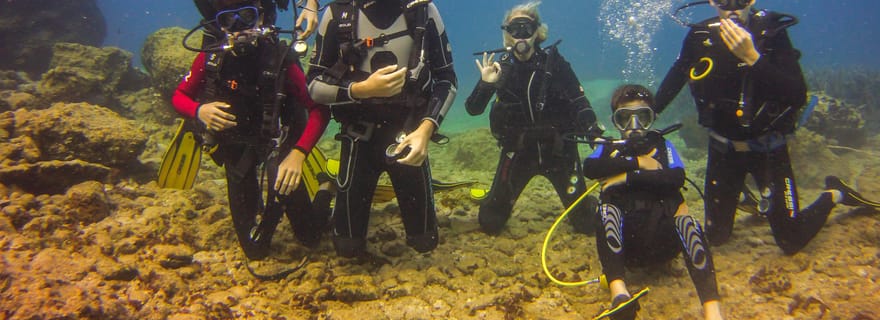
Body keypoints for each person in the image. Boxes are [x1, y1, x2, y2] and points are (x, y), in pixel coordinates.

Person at [654, 0, 880, 254]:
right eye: (723, 1)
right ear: (711, 2)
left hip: (768, 151)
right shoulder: (699, 35)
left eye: (739, 1)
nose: (732, 8)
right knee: (716, 237)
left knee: (791, 240)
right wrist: (648, 114)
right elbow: (677, 75)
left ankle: (834, 193)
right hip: (723, 150)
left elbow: (796, 95)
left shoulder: (771, 32)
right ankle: (743, 196)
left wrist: (752, 56)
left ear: (751, 1)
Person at [173, 0, 331, 260]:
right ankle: (258, 205)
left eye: (247, 16)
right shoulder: (211, 58)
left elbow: (319, 110)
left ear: (261, 19)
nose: (238, 27)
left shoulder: (281, 60)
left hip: (278, 148)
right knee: (254, 251)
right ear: (220, 26)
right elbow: (180, 96)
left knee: (310, 236)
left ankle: (326, 189)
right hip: (237, 150)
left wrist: (298, 154)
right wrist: (199, 111)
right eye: (228, 21)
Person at [306, 0, 457, 257]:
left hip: (407, 135)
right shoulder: (338, 13)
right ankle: (326, 189)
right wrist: (360, 90)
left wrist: (426, 129)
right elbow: (313, 84)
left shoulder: (423, 11)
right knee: (347, 248)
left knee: (425, 242)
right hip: (358, 137)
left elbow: (447, 78)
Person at [585, 85, 723, 320]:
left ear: (652, 119)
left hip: (664, 245)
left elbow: (676, 177)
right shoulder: (608, 148)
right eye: (625, 118)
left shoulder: (662, 146)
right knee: (606, 210)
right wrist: (638, 163)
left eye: (642, 117)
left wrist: (626, 177)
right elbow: (590, 167)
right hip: (624, 250)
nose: (634, 126)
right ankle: (619, 294)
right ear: (615, 122)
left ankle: (713, 310)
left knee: (687, 221)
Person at [465, 1, 600, 235]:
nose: (520, 36)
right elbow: (473, 109)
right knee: (490, 222)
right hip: (519, 152)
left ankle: (594, 203)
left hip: (560, 152)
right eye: (513, 29)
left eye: (526, 29)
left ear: (537, 32)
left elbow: (579, 101)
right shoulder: (501, 69)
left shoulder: (555, 63)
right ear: (506, 34)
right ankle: (494, 196)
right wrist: (486, 85)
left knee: (587, 224)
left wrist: (593, 133)